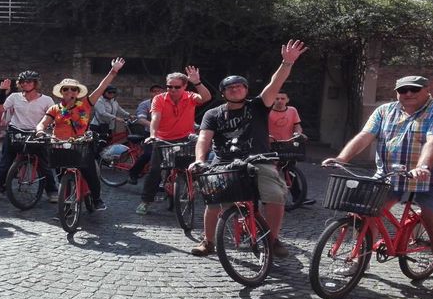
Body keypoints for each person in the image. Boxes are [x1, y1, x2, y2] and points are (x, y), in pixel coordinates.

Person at [323, 75, 433, 299]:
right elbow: (365, 136)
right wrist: (341, 158)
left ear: (426, 90)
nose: (408, 94)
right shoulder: (385, 111)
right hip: (390, 175)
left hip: (431, 179)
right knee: (364, 213)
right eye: (403, 90)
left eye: (414, 89)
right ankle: (360, 261)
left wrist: (423, 167)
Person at [190, 40, 309, 258]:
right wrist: (199, 159)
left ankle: (273, 239)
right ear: (223, 93)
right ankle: (208, 241)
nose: (235, 89)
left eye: (240, 86)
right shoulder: (213, 114)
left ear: (246, 89)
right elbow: (204, 139)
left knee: (275, 196)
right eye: (230, 88)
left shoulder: (258, 106)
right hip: (224, 162)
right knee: (213, 201)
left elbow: (275, 83)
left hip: (259, 160)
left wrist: (287, 63)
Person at [35, 58, 126, 210]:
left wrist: (113, 71)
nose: (69, 92)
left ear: (78, 93)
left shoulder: (85, 104)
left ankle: (96, 199)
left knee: (91, 174)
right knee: (62, 178)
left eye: (73, 89)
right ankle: (66, 207)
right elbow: (43, 123)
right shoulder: (55, 109)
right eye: (66, 89)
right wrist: (39, 131)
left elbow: (102, 87)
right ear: (61, 92)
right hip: (59, 146)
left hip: (80, 145)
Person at [135, 67, 212, 215]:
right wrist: (153, 135)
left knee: (192, 166)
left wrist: (197, 82)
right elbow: (155, 118)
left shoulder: (190, 97)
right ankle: (146, 201)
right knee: (154, 171)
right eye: (169, 86)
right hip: (162, 140)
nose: (173, 90)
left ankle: (191, 188)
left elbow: (206, 97)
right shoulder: (159, 99)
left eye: (177, 87)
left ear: (185, 86)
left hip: (185, 138)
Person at [0, 71, 57, 202]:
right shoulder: (15, 97)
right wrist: (2, 93)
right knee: (5, 163)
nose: (25, 84)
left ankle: (52, 191)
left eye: (29, 81)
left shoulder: (47, 100)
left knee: (44, 164)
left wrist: (53, 127)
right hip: (15, 131)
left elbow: (54, 116)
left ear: (35, 83)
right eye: (22, 82)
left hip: (35, 133)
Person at [126, 85, 163, 185]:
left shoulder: (168, 103)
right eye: (154, 91)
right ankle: (133, 173)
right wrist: (154, 125)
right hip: (150, 133)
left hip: (165, 134)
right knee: (148, 154)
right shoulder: (145, 104)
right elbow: (141, 119)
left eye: (159, 91)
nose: (157, 93)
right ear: (150, 93)